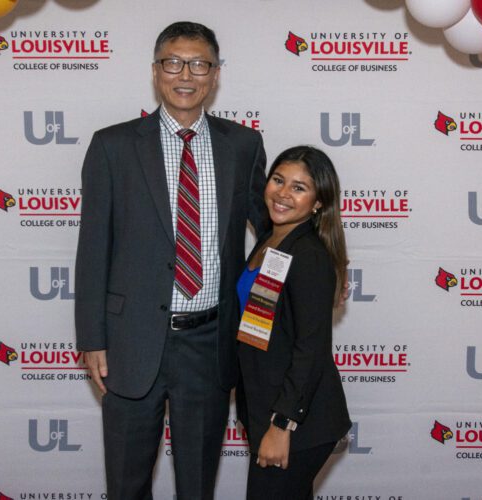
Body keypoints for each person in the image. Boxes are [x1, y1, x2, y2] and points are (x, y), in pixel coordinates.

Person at [74, 21, 268, 500]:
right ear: (156, 71)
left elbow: (271, 235)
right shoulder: (112, 146)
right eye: (173, 62)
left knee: (197, 486)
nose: (187, 74)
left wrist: (325, 259)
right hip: (130, 340)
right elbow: (93, 246)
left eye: (200, 64)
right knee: (125, 483)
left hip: (209, 342)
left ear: (216, 74)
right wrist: (92, 339)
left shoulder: (243, 145)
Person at [236, 145, 351, 500]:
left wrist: (282, 424)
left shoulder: (308, 255)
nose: (283, 193)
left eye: (299, 188)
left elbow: (311, 349)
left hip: (297, 420)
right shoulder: (272, 241)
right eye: (278, 180)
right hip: (266, 408)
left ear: (319, 202)